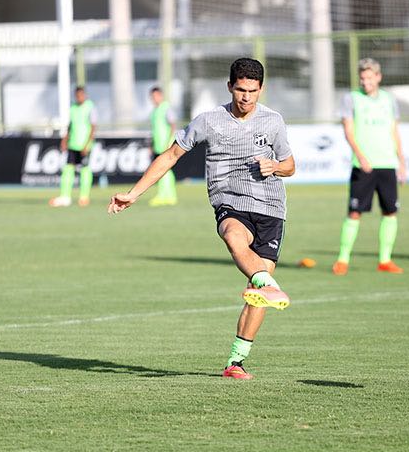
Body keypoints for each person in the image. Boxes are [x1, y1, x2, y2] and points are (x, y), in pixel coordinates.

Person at [108, 58, 296, 380]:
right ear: (229, 87)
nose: (246, 97)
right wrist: (134, 193)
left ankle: (235, 362)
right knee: (234, 237)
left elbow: (290, 165)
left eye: (252, 91)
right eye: (240, 90)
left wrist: (274, 167)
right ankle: (269, 283)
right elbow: (170, 156)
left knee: (257, 294)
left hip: (271, 208)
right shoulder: (209, 121)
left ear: (261, 89)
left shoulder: (274, 122)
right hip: (230, 202)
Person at [332, 58, 407, 276]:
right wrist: (360, 156)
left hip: (387, 164)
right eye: (362, 78)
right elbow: (348, 131)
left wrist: (401, 162)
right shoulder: (351, 99)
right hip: (362, 165)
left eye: (369, 78)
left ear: (378, 77)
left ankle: (385, 260)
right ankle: (342, 260)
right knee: (354, 212)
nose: (365, 82)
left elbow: (395, 131)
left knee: (390, 211)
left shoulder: (389, 100)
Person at [50, 86, 98, 207]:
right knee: (68, 169)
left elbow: (93, 127)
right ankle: (65, 196)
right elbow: (70, 125)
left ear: (85, 95)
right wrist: (65, 140)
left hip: (84, 145)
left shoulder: (90, 107)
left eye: (81, 95)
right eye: (77, 95)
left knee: (85, 170)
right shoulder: (73, 108)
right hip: (73, 143)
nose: (79, 97)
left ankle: (84, 197)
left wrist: (87, 144)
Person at [148, 86, 178, 206]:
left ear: (160, 95)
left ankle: (168, 195)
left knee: (164, 170)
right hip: (157, 144)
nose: (154, 99)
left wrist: (169, 142)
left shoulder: (166, 108)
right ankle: (164, 195)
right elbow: (154, 130)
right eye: (152, 97)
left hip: (165, 144)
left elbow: (172, 125)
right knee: (161, 170)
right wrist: (151, 144)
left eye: (155, 96)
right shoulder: (154, 111)